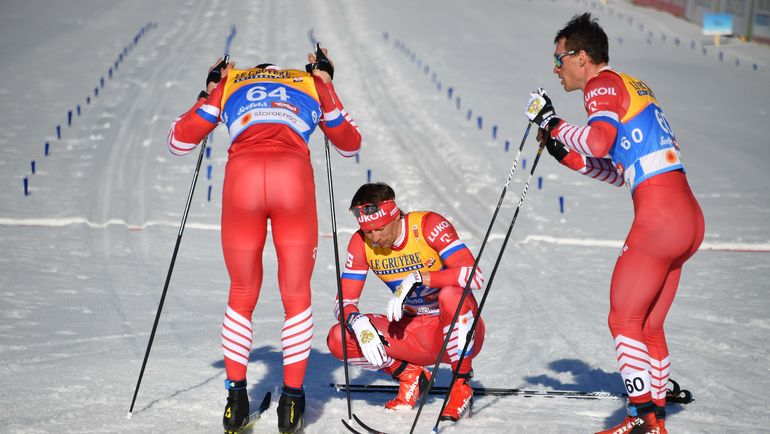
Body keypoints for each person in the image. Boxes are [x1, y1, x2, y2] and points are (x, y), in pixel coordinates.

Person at [524, 13, 704, 434]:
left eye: (559, 58)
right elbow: (616, 168)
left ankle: (641, 419)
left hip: (660, 217)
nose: (556, 68)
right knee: (648, 326)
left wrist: (553, 123)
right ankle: (654, 422)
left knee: (623, 321)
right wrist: (561, 149)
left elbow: (599, 140)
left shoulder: (601, 85)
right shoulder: (628, 85)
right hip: (686, 217)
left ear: (582, 56)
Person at [167, 47, 361, 434]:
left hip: (245, 182)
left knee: (241, 291)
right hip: (293, 182)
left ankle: (235, 400)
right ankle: (291, 402)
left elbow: (179, 142)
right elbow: (349, 143)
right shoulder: (308, 82)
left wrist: (209, 90)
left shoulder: (231, 83)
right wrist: (325, 83)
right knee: (296, 295)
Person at [326, 182, 486, 422]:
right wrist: (356, 321)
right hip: (412, 331)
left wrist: (420, 277)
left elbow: (474, 275)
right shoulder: (361, 243)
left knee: (451, 295)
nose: (375, 237)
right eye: (368, 232)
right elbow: (344, 300)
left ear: (395, 216)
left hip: (455, 328)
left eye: (380, 229)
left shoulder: (427, 226)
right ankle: (409, 374)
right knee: (339, 337)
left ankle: (460, 385)